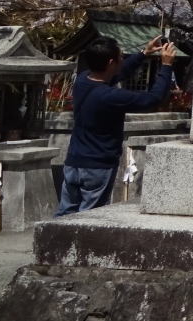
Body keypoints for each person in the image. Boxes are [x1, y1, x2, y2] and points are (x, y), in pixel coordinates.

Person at [57, 34, 176, 215]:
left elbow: (119, 72)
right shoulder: (111, 96)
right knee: (88, 218)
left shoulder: (83, 79)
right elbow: (153, 98)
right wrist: (166, 66)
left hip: (73, 162)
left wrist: (144, 53)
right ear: (111, 63)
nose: (123, 59)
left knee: (65, 213)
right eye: (121, 57)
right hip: (97, 166)